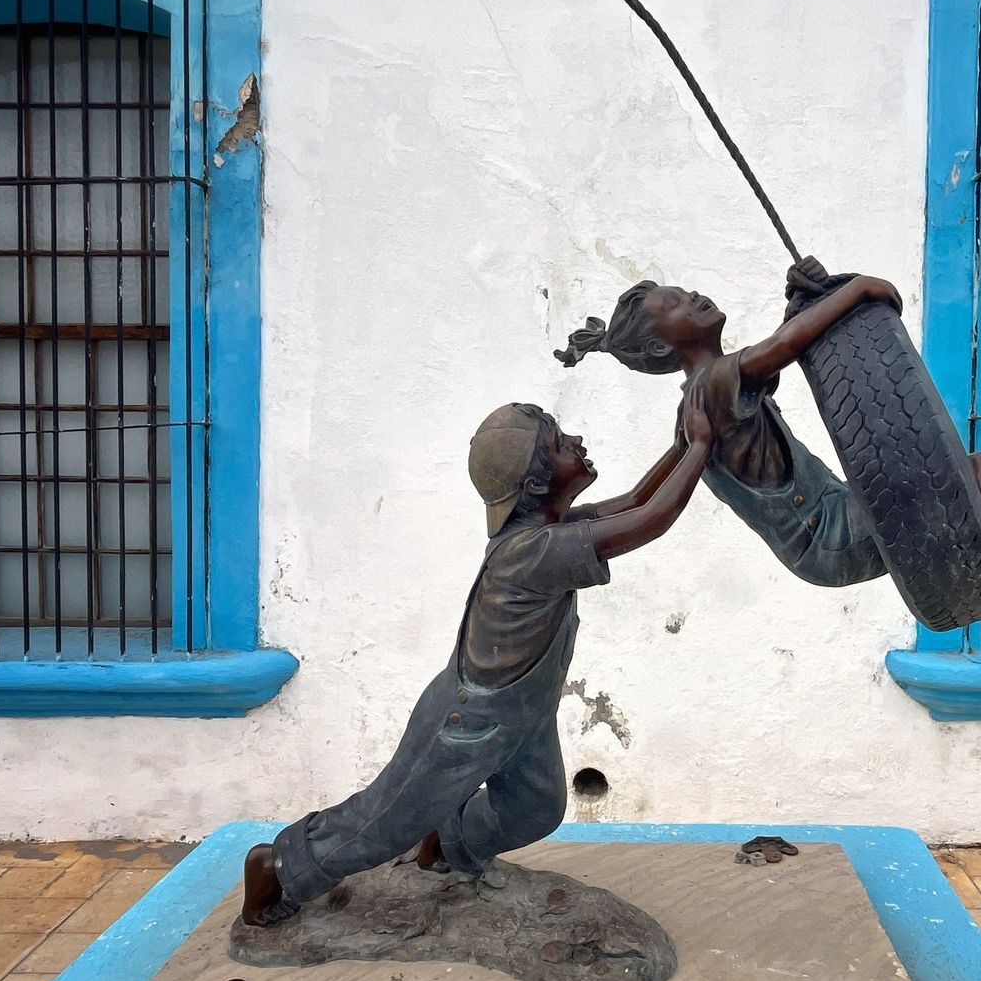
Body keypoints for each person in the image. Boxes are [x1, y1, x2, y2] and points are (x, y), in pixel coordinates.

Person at [242, 392, 715, 926]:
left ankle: (445, 843)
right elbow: (650, 519)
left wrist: (683, 445)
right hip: (467, 723)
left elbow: (632, 502)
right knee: (382, 822)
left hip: (521, 713)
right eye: (561, 443)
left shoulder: (546, 533)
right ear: (536, 484)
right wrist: (700, 444)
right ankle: (279, 865)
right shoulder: (534, 551)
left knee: (535, 808)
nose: (577, 443)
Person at [556, 255, 981, 647]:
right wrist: (860, 290)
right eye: (678, 304)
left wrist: (567, 518)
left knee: (972, 479)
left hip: (826, 532)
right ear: (662, 344)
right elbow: (787, 345)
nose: (696, 297)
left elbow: (640, 493)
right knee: (970, 471)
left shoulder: (700, 405)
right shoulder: (713, 386)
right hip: (826, 532)